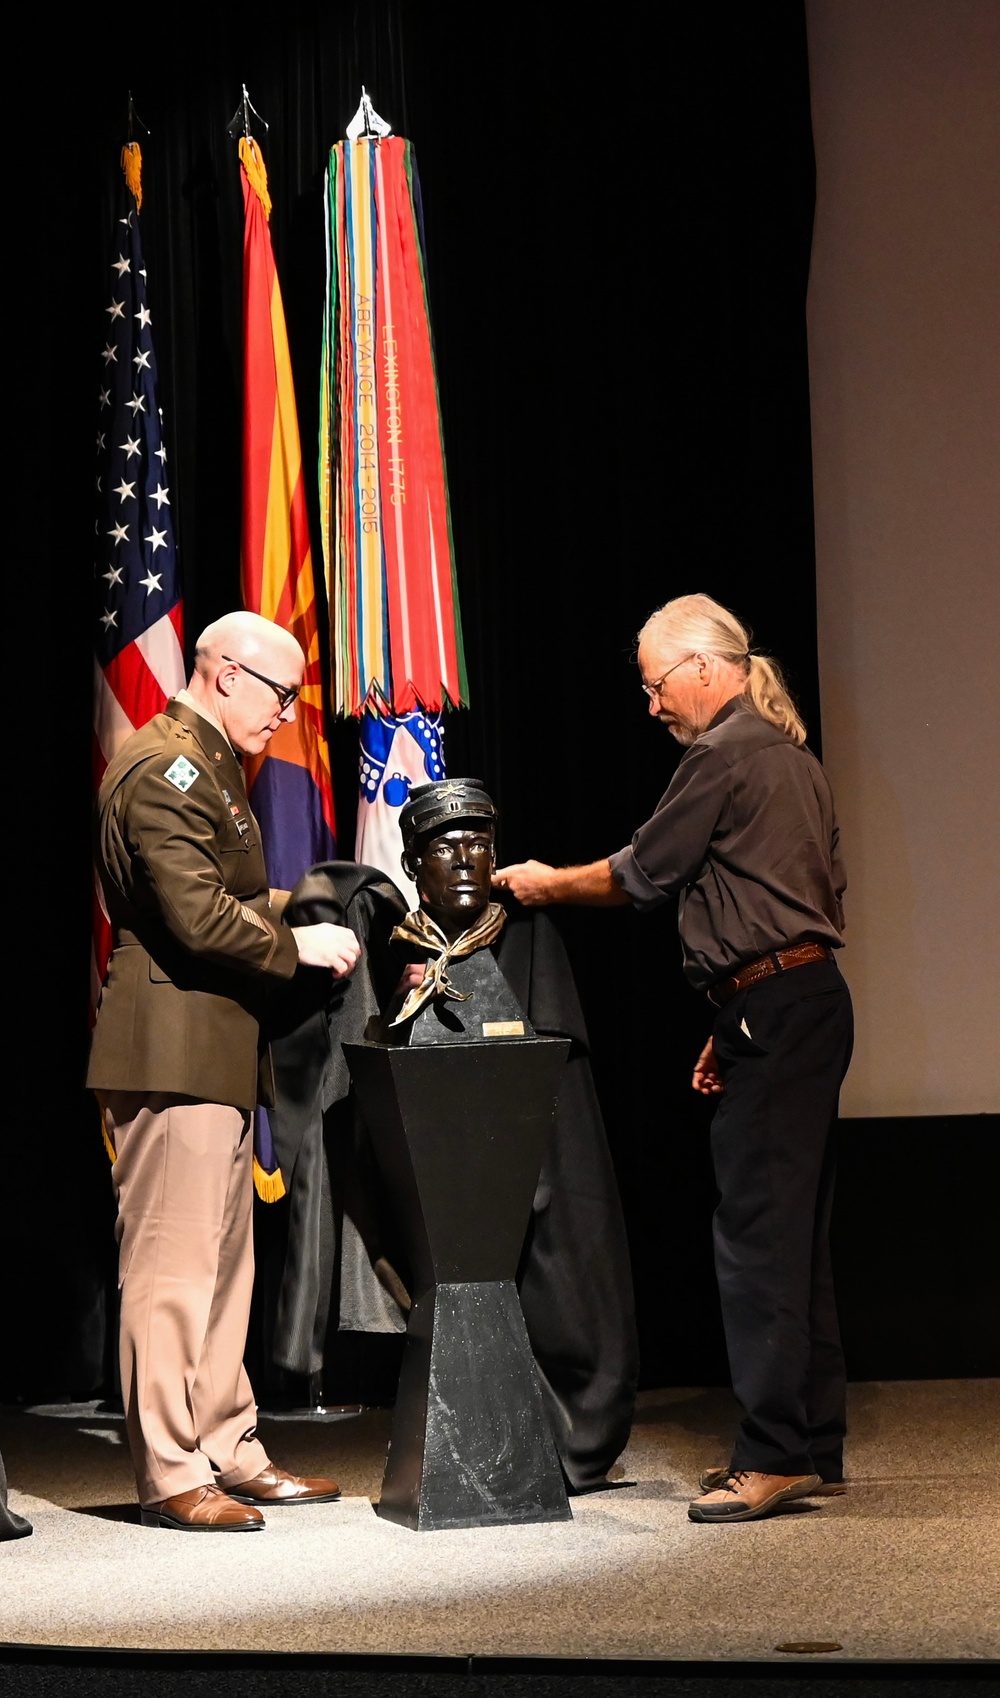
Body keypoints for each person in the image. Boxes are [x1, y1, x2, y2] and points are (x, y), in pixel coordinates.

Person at [495, 593, 853, 1524]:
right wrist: (730, 1013)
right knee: (797, 1232)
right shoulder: (791, 757)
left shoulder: (724, 754)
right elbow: (790, 898)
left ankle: (772, 1455)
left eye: (656, 685)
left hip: (774, 1006)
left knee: (757, 1240)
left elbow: (640, 873)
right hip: (798, 1001)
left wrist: (544, 883)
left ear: (702, 668)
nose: (652, 705)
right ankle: (812, 1440)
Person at [88, 612, 361, 1531]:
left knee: (223, 1268)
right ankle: (169, 1470)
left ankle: (228, 1443)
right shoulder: (163, 768)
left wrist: (324, 904)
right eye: (280, 694)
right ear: (223, 673)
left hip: (213, 1047)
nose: (288, 715)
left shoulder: (205, 765)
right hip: (169, 1048)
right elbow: (199, 916)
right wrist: (299, 939)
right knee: (170, 1269)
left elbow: (236, 895)